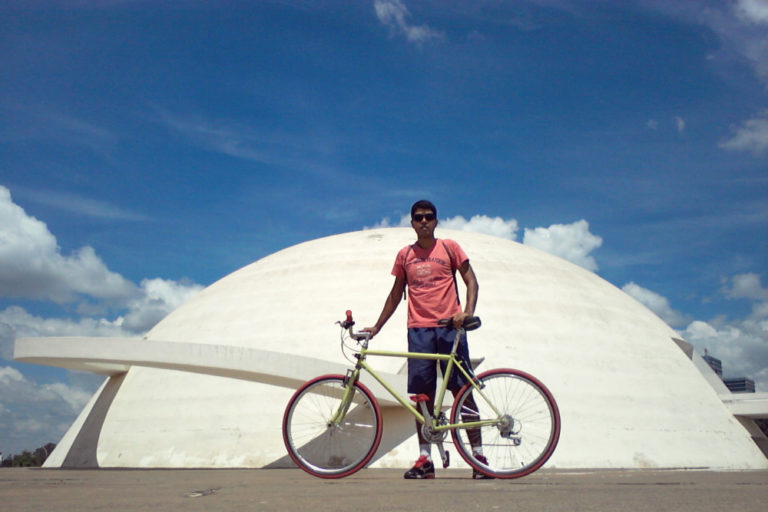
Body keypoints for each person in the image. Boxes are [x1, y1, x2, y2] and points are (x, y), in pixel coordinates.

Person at [364, 199, 491, 479]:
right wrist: (377, 326)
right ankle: (425, 459)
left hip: (449, 328)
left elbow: (472, 280)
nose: (424, 221)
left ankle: (479, 458)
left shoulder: (449, 247)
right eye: (418, 217)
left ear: (436, 221)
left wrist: (467, 313)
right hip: (418, 330)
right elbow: (396, 294)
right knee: (422, 399)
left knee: (463, 393)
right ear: (411, 222)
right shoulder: (405, 255)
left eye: (429, 217)